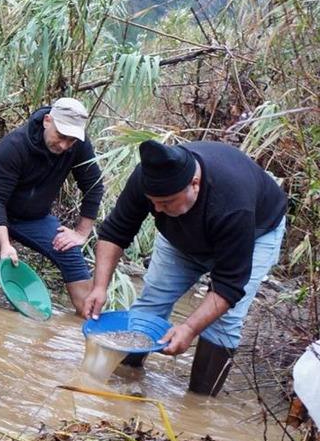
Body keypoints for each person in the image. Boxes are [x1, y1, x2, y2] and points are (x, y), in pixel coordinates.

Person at [83, 140, 287, 395]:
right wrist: (100, 286)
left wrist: (189, 328)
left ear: (194, 184)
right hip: (180, 237)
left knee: (225, 322)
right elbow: (115, 231)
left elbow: (229, 285)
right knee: (152, 302)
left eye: (166, 202)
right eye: (153, 202)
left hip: (256, 234)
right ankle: (121, 386)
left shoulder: (233, 203)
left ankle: (198, 404)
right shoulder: (147, 178)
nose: (157, 209)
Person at [0, 98, 104, 314]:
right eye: (60, 136)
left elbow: (94, 187)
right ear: (47, 121)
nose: (64, 145)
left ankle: (89, 317)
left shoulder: (78, 145)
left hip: (31, 217)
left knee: (70, 252)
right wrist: (5, 246)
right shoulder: (16, 145)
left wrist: (81, 233)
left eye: (71, 141)